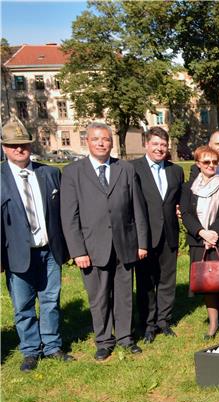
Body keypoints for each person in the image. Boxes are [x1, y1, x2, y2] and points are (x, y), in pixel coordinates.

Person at [60, 123, 149, 361]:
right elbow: (69, 216)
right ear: (87, 141)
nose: (101, 143)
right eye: (96, 139)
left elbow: (137, 208)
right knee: (98, 297)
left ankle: (125, 337)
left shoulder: (126, 169)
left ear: (112, 142)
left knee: (123, 294)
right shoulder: (73, 172)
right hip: (92, 247)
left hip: (124, 243)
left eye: (106, 139)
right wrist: (77, 250)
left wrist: (141, 242)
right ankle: (103, 340)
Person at [1, 118, 73, 372]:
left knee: (51, 300)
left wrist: (67, 249)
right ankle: (30, 350)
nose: (19, 150)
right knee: (23, 305)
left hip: (49, 251)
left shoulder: (50, 173)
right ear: (4, 147)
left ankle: (52, 346)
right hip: (17, 254)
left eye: (23, 144)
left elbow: (64, 214)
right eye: (13, 145)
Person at [181, 145, 219, 341]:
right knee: (207, 284)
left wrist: (214, 232)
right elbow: (186, 214)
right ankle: (213, 323)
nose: (211, 165)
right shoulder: (188, 188)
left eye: (214, 162)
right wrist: (202, 233)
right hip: (199, 241)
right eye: (206, 162)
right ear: (198, 164)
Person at [132, 127, 184, 343]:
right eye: (155, 144)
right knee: (146, 282)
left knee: (167, 280)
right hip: (145, 236)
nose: (160, 148)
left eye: (163, 145)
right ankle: (147, 324)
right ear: (146, 145)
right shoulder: (132, 168)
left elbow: (178, 200)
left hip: (169, 234)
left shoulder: (175, 171)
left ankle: (164, 321)